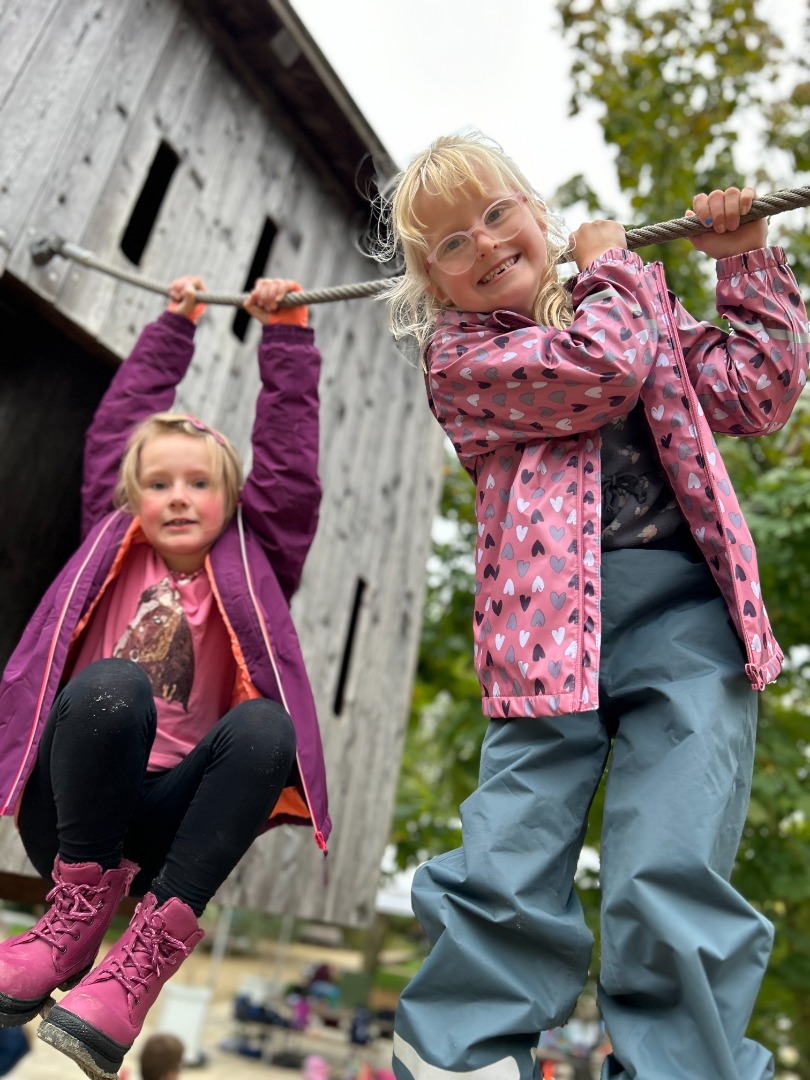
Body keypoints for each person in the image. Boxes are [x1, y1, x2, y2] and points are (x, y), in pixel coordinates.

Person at [374, 132, 810, 1079]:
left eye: (498, 214)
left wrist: (744, 264)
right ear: (435, 284)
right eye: (453, 243)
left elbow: (760, 394)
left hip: (687, 621)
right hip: (542, 642)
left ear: (538, 213)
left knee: (671, 856)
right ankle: (462, 1052)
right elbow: (599, 371)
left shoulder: (632, 305)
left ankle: (680, 1063)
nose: (487, 244)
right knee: (513, 844)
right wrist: (615, 269)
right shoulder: (461, 359)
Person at [0, 275, 330, 1080]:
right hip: (73, 814)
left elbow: (289, 470)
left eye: (199, 483)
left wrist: (287, 337)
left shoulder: (255, 559)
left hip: (168, 829)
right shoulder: (108, 538)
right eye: (158, 484)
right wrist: (173, 327)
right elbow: (118, 423)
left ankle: (138, 962)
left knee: (268, 728)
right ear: (130, 494)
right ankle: (69, 927)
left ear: (232, 496)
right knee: (114, 685)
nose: (178, 498)